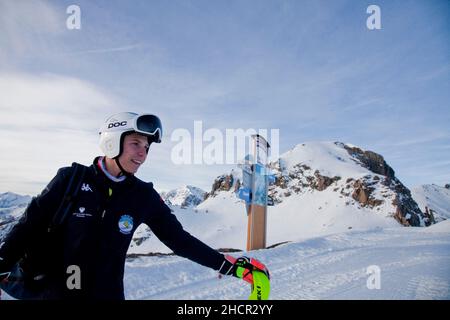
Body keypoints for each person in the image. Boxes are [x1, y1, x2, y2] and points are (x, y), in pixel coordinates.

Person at [0, 112, 269, 300]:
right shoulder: (70, 179)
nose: (143, 153)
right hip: (55, 294)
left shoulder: (143, 196)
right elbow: (28, 225)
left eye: (147, 147)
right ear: (112, 141)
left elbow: (180, 241)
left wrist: (227, 266)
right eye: (136, 143)